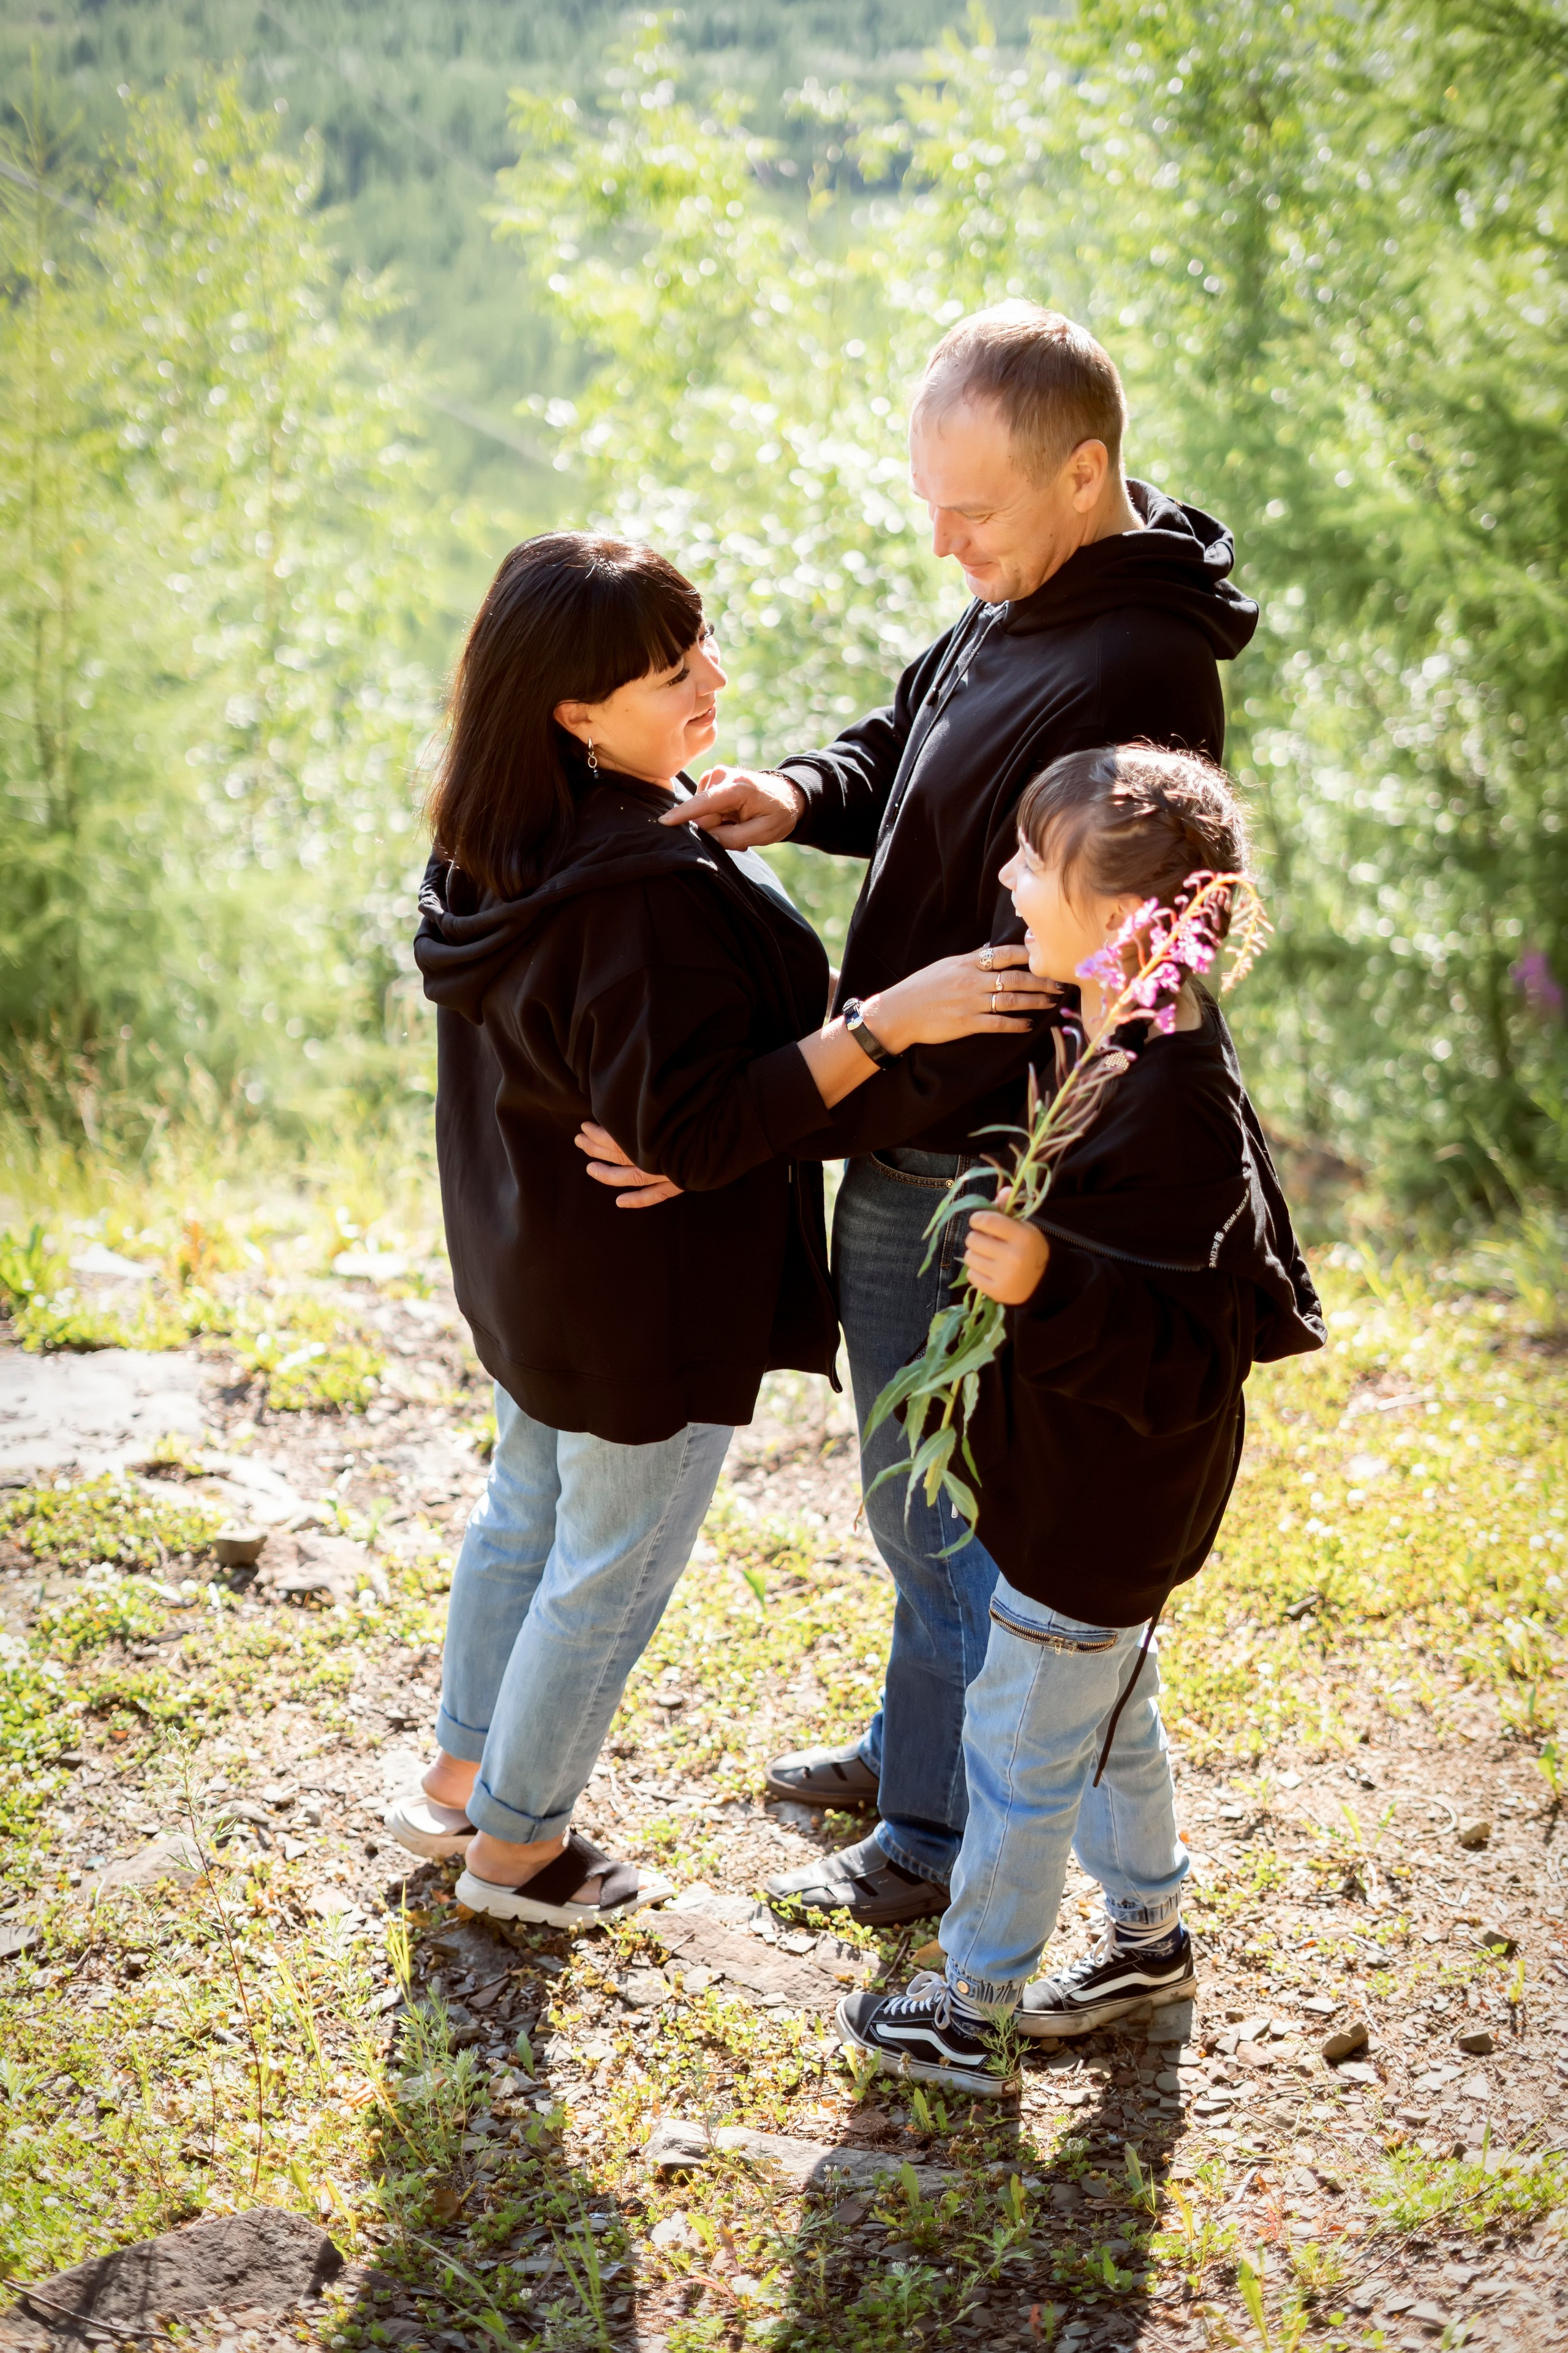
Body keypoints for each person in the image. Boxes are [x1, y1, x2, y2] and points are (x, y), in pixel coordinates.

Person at [647, 304, 1261, 1927]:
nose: (946, 543)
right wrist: (797, 792)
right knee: (916, 1479)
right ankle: (918, 1732)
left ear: (1085, 473)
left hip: (986, 1134)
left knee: (946, 1494)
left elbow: (1127, 923)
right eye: (931, 505)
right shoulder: (1020, 601)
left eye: (971, 512)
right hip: (911, 1105)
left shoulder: (1140, 655)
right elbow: (901, 747)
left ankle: (935, 1833)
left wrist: (906, 1073)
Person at [390, 531, 1053, 1927]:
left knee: (522, 1515)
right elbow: (688, 1135)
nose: (714, 681)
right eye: (670, 671)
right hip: (647, 1297)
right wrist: (888, 1020)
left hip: (532, 1267)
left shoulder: (498, 841)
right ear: (572, 710)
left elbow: (630, 1088)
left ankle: (458, 1783)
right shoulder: (641, 895)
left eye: (702, 648)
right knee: (603, 1569)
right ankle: (518, 1851)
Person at [835, 744, 1325, 2092]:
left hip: (1104, 1495)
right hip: (1076, 1488)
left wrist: (1047, 1278)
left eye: (1025, 863)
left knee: (1021, 1740)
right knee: (1104, 1714)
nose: (1001, 877)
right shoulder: (1118, 1036)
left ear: (1115, 919)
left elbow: (1184, 1350)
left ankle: (980, 2003)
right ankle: (1149, 1933)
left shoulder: (1175, 1100)